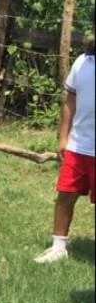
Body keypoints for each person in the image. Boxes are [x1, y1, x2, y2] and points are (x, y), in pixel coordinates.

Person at [35, 35, 96, 263]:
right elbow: (70, 101)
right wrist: (63, 137)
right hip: (79, 145)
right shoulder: (82, 62)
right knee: (65, 195)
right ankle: (58, 247)